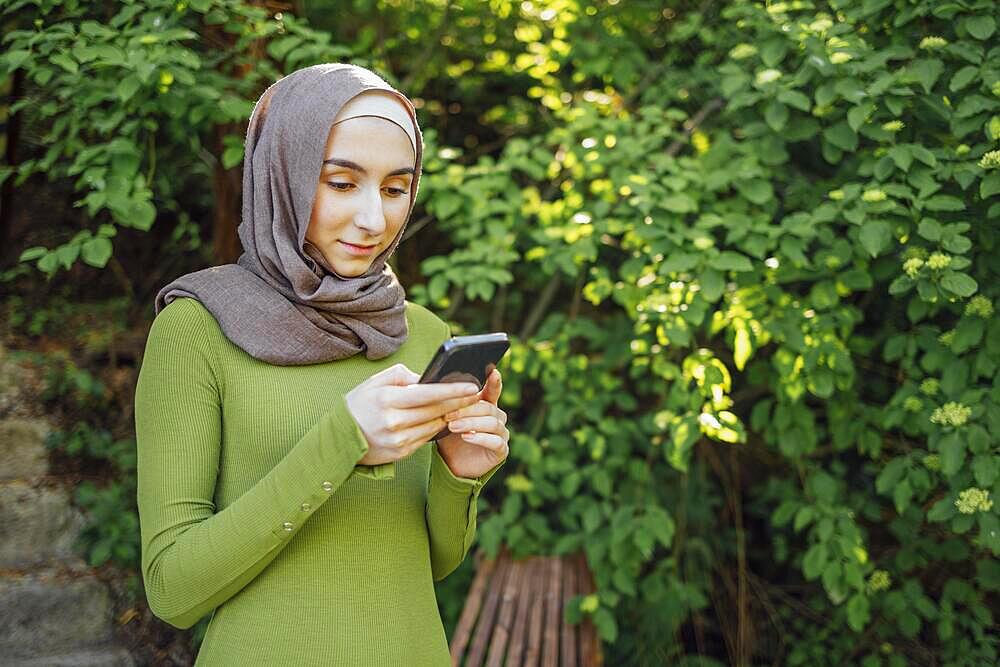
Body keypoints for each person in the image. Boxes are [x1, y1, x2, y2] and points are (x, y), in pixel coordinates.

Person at [134, 63, 509, 666]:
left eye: (394, 189)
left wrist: (460, 475)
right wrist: (343, 442)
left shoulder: (423, 334)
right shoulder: (197, 327)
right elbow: (173, 591)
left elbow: (432, 562)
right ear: (282, 173)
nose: (373, 220)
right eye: (340, 183)